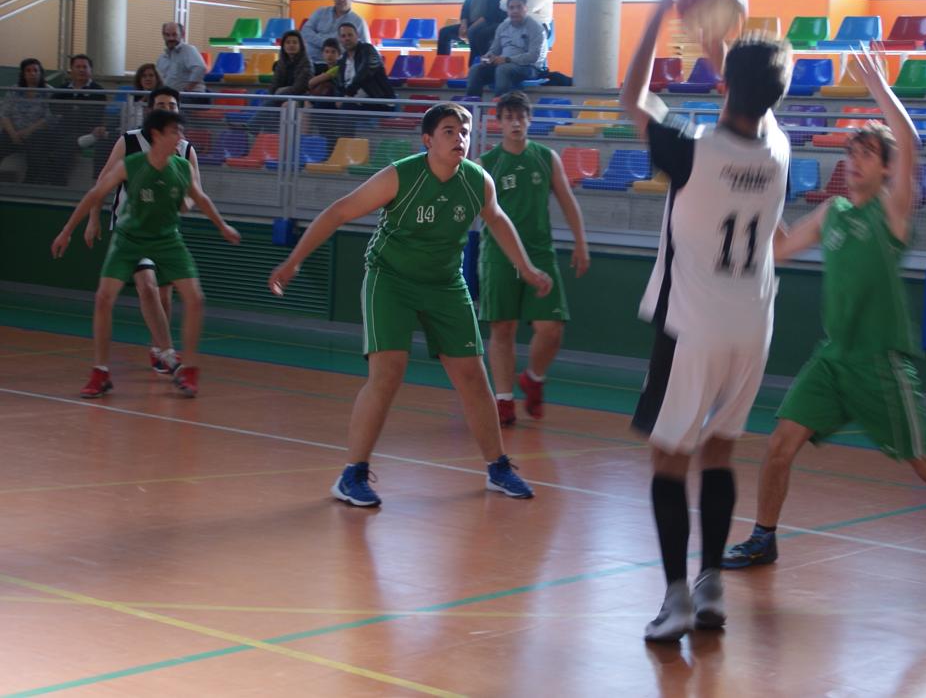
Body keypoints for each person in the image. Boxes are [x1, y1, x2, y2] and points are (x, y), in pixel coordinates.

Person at [723, 46, 926, 589]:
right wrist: (755, 190)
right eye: (849, 154)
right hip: (833, 360)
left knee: (924, 462)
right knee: (780, 444)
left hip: (879, 366)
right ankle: (764, 537)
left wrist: (879, 88)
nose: (852, 162)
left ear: (884, 170)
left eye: (865, 156)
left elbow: (911, 144)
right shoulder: (833, 212)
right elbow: (779, 249)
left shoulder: (893, 213)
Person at [267, 102, 551, 508]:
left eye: (465, 132)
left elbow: (497, 219)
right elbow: (338, 212)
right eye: (450, 131)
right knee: (388, 371)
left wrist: (525, 266)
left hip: (445, 283)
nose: (460, 139)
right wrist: (294, 261)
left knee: (473, 375)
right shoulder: (400, 176)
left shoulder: (477, 180)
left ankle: (498, 468)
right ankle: (352, 475)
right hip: (391, 279)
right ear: (428, 140)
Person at [620, 0, 792, 642]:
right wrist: (721, 43)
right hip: (754, 325)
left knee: (669, 458)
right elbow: (751, 90)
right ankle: (712, 584)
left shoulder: (691, 153)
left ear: (723, 85)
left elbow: (630, 96)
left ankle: (675, 599)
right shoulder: (779, 149)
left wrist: (657, 18)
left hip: (691, 325)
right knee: (720, 452)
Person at [51, 109, 241, 400]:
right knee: (103, 298)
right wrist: (67, 230)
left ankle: (188, 370)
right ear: (156, 135)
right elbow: (95, 194)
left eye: (180, 132)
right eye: (174, 132)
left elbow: (201, 198)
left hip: (166, 239)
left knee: (196, 299)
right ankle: (101, 372)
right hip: (130, 240)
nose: (180, 138)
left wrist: (223, 226)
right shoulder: (131, 165)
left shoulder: (181, 167)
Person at [477, 91, 589, 425]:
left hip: (541, 253)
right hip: (499, 255)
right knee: (503, 328)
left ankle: (533, 379)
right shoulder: (487, 163)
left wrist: (581, 243)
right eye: (508, 116)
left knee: (551, 328)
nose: (515, 122)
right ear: (498, 122)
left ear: (529, 119)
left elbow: (568, 201)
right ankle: (504, 399)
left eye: (520, 116)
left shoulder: (546, 157)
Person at [84, 86, 202, 377]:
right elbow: (102, 181)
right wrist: (92, 218)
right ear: (150, 110)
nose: (167, 109)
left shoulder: (185, 149)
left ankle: (157, 349)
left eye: (172, 105)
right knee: (147, 287)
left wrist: (183, 204)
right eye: (161, 104)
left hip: (165, 231)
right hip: (132, 230)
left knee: (164, 295)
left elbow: (194, 193)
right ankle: (168, 353)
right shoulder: (130, 141)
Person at [466, 0, 546, 99]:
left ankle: (499, 109)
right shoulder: (503, 26)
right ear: (507, 11)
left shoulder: (535, 27)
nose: (515, 11)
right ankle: (471, 110)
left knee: (503, 69)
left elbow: (533, 56)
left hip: (530, 68)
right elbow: (494, 50)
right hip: (505, 65)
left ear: (526, 9)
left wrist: (507, 59)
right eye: (511, 8)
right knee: (476, 69)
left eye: (519, 7)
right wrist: (487, 57)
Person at [0, 58, 55, 184]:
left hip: (35, 134)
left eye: (35, 70)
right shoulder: (14, 90)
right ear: (23, 74)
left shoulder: (49, 92)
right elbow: (4, 114)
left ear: (40, 73)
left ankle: (29, 184)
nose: (32, 73)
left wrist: (27, 131)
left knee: (37, 150)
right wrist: (13, 133)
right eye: (28, 71)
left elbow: (49, 118)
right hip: (12, 133)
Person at [301, 0, 371, 65]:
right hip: (309, 61)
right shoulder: (320, 12)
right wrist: (324, 43)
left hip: (338, 66)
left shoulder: (359, 22)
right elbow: (305, 31)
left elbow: (367, 48)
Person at [157, 23, 207, 93]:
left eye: (174, 34)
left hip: (190, 97)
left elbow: (200, 68)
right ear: (163, 35)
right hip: (170, 98)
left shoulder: (188, 50)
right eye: (167, 35)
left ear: (182, 34)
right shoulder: (162, 58)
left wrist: (186, 90)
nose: (171, 38)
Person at [268, 30, 313, 96]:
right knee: (266, 104)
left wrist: (281, 92)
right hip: (280, 96)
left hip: (300, 97)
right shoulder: (280, 63)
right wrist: (273, 94)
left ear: (301, 46)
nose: (291, 45)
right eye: (288, 42)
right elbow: (274, 84)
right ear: (283, 46)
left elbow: (300, 88)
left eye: (295, 42)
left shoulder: (307, 64)